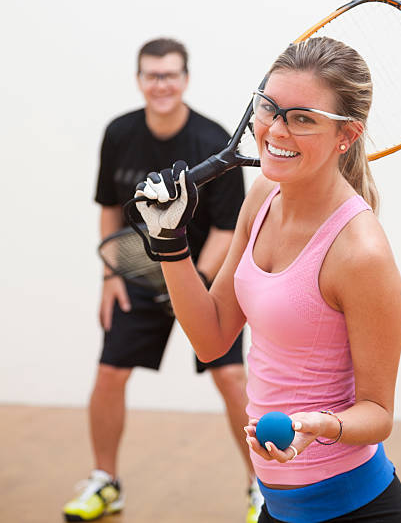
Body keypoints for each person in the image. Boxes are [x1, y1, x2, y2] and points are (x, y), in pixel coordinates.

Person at [133, 36, 401, 522]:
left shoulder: (360, 253)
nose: (276, 130)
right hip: (278, 507)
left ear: (346, 135)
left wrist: (316, 426)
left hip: (354, 510)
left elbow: (378, 414)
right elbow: (211, 337)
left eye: (303, 118)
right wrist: (171, 243)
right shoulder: (263, 193)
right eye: (269, 108)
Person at [63, 38, 263, 523]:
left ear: (186, 79)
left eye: (170, 75)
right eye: (152, 75)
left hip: (205, 277)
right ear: (139, 80)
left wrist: (191, 284)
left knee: (232, 377)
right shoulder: (119, 134)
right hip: (137, 272)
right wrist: (110, 275)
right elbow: (111, 207)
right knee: (110, 374)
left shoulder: (211, 139)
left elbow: (226, 229)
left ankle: (261, 489)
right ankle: (104, 481)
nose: (161, 84)